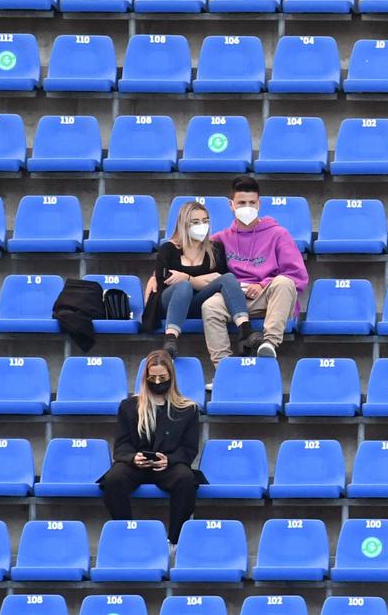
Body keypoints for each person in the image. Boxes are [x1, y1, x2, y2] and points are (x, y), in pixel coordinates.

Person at [99, 350, 203, 545]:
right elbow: (121, 445)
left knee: (185, 479)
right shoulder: (129, 406)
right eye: (152, 378)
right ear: (145, 378)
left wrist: (169, 460)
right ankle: (126, 535)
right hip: (135, 465)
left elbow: (189, 449)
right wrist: (133, 458)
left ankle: (174, 541)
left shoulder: (188, 408)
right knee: (113, 480)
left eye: (162, 378)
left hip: (169, 465)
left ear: (171, 377)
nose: (157, 382)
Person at [203, 176, 307, 361]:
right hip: (235, 297)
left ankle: (269, 344)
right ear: (231, 205)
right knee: (210, 306)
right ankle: (223, 368)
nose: (247, 207)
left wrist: (263, 284)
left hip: (268, 296)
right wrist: (157, 275)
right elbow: (187, 256)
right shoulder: (221, 238)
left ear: (259, 204)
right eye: (241, 202)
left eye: (252, 202)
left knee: (284, 283)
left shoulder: (278, 234)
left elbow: (297, 276)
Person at [144, 199, 249, 359]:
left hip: (199, 302)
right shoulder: (168, 249)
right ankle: (170, 340)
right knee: (183, 287)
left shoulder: (215, 249)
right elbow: (164, 282)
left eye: (205, 221)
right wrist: (202, 279)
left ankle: (245, 331)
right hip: (171, 302)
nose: (202, 225)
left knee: (227, 278)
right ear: (184, 224)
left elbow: (220, 280)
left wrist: (187, 277)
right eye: (195, 222)